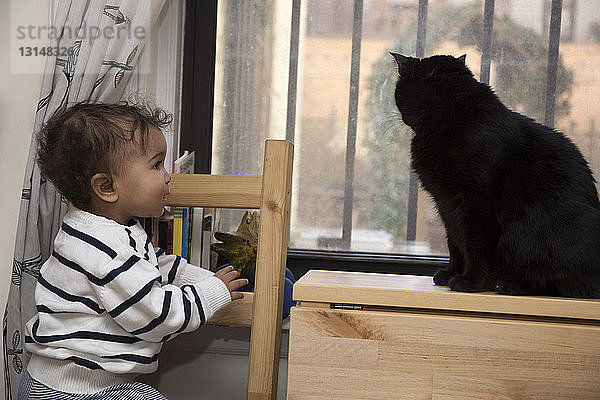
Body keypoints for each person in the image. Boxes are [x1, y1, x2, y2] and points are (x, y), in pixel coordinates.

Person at [19, 102, 248, 399]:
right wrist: (211, 294)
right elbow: (156, 314)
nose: (167, 176)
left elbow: (150, 267)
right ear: (106, 187)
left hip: (78, 383)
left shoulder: (104, 229)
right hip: (71, 390)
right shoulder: (104, 248)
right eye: (156, 165)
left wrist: (207, 277)